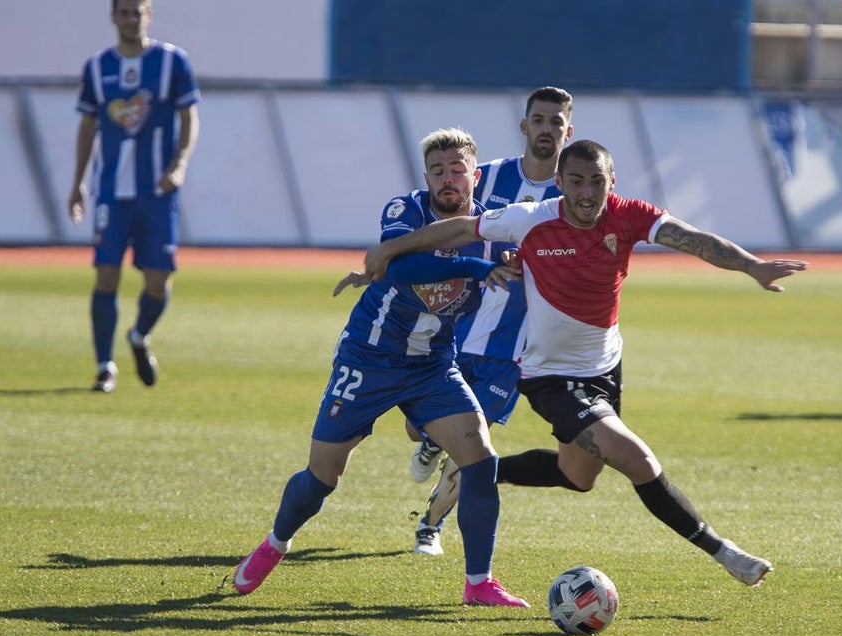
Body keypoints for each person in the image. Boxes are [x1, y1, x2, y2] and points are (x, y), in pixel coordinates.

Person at [364, 139, 810, 587]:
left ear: (611, 181)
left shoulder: (630, 214)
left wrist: (752, 266)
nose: (587, 192)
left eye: (597, 181)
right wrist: (391, 250)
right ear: (559, 183)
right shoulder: (532, 219)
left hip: (605, 368)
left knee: (575, 477)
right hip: (550, 378)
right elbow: (460, 229)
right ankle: (725, 552)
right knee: (637, 458)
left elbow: (693, 239)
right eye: (576, 181)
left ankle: (481, 470)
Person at [231, 128, 530, 608]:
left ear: (475, 176)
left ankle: (479, 582)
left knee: (481, 459)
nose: (447, 179)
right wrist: (477, 271)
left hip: (432, 364)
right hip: (369, 358)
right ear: (426, 177)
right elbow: (401, 269)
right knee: (324, 476)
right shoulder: (405, 210)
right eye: (438, 171)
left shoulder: (493, 231)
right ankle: (275, 544)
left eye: (457, 170)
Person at [406, 86, 575, 556]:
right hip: (458, 327)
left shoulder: (574, 192)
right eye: (538, 120)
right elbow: (449, 221)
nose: (546, 129)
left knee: (474, 441)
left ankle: (430, 525)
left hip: (514, 343)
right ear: (525, 126)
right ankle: (427, 441)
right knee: (421, 429)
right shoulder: (490, 176)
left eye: (555, 122)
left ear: (568, 130)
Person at [68, 0, 201, 393]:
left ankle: (139, 335)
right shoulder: (97, 67)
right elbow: (88, 125)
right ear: (113, 16)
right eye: (123, 12)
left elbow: (189, 116)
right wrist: (78, 181)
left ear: (149, 15)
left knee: (159, 280)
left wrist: (178, 165)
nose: (130, 19)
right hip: (111, 192)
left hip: (156, 192)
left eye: (136, 12)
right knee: (106, 274)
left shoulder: (172, 62)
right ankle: (105, 366)